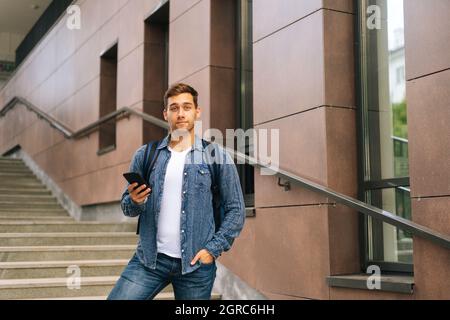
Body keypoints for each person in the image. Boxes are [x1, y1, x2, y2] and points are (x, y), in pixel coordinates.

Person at [107, 83, 246, 300]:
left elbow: (236, 209)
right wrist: (134, 201)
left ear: (197, 112)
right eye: (174, 108)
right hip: (149, 261)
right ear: (165, 114)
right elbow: (127, 207)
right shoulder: (146, 155)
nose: (180, 114)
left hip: (196, 266)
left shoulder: (216, 156)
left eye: (186, 107)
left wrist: (212, 250)